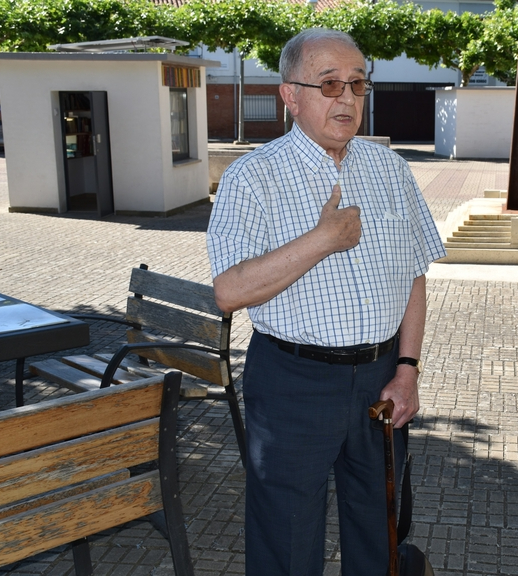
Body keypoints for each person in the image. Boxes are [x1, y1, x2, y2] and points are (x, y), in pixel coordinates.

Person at [206, 28, 446, 576]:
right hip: (292, 382)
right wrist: (321, 240)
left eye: (358, 84)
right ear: (290, 95)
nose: (347, 98)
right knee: (286, 538)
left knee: (380, 531)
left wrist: (407, 369)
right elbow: (229, 292)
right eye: (330, 84)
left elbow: (415, 274)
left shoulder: (390, 169)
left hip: (381, 379)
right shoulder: (253, 177)